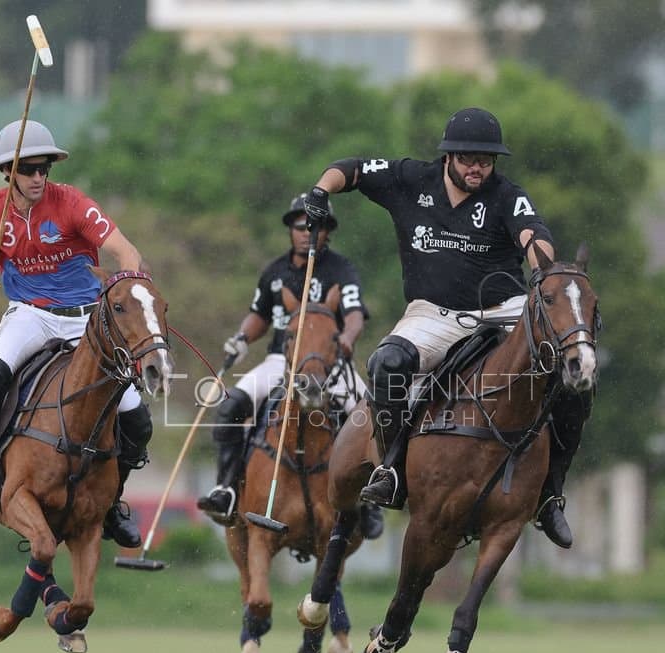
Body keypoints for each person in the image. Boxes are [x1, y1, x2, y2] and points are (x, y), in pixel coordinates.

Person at [299, 107, 592, 548]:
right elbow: (351, 168)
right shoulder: (410, 179)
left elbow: (534, 235)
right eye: (470, 158)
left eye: (487, 160)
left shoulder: (506, 195)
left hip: (502, 309)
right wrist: (321, 192)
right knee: (387, 363)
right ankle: (393, 471)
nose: (478, 168)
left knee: (576, 379)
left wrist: (542, 271)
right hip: (433, 312)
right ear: (449, 156)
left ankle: (550, 495)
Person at [0, 119, 153, 548]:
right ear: (8, 171)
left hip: (87, 320)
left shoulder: (71, 204)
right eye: (28, 169)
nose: (37, 177)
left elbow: (127, 251)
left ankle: (113, 504)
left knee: (136, 418)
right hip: (30, 315)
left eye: (43, 168)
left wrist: (124, 284)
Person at [197, 193, 384, 540]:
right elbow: (260, 315)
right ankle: (226, 489)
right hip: (281, 362)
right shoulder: (275, 272)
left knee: (368, 416)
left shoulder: (341, 270)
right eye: (299, 225)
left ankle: (369, 503)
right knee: (231, 406)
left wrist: (348, 336)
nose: (305, 232)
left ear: (327, 231)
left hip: (329, 365)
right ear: (290, 229)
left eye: (314, 226)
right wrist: (241, 338)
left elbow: (355, 314)